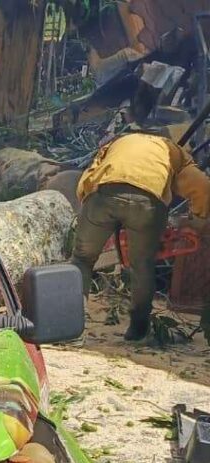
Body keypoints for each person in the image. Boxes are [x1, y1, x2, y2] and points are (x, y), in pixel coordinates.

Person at [72, 95, 210, 341]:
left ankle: (72, 324)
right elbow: (201, 187)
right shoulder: (172, 152)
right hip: (148, 203)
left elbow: (88, 178)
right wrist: (198, 220)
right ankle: (138, 328)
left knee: (82, 259)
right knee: (142, 265)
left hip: (104, 193)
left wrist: (88, 208)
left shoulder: (119, 142)